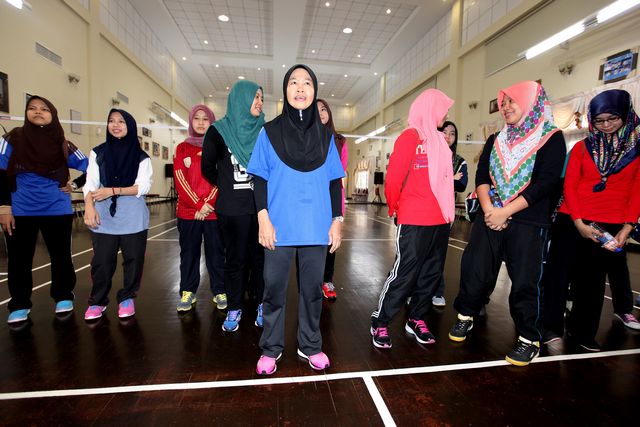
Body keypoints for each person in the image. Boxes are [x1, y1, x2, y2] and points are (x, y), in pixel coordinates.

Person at [448, 81, 566, 366]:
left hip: (528, 221)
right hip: (491, 216)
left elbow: (547, 183)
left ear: (530, 103)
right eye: (503, 103)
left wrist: (506, 212)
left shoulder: (551, 137)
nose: (505, 107)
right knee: (475, 269)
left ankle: (529, 337)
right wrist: (491, 210)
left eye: (512, 101)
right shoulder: (496, 139)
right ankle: (466, 315)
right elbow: (482, 177)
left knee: (526, 281)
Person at [249, 64, 344, 375]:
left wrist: (337, 220)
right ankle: (271, 347)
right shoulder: (269, 132)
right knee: (274, 290)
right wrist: (263, 218)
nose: (300, 88)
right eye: (293, 82)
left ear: (314, 90)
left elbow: (334, 181)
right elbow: (259, 178)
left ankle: (311, 345)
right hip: (278, 227)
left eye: (307, 83)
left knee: (312, 291)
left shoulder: (326, 137)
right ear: (285, 90)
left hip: (316, 227)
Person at [370, 88, 455, 349]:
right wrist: (395, 208)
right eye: (443, 109)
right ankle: (380, 321)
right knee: (405, 273)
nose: (446, 114)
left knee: (431, 274)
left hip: (441, 219)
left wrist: (448, 215)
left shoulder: (440, 141)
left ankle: (416, 318)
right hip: (415, 219)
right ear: (430, 108)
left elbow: (446, 182)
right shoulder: (410, 137)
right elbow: (394, 179)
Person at [563, 89, 640, 351]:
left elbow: (637, 190)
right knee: (586, 281)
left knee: (603, 277)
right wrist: (578, 222)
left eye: (612, 118)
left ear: (625, 115)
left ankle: (585, 329)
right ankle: (580, 331)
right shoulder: (582, 147)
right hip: (583, 220)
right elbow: (570, 186)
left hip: (615, 223)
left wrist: (628, 226)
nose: (606, 125)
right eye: (599, 120)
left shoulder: (636, 148)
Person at [0, 95, 88, 323]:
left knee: (61, 256)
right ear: (26, 112)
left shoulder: (64, 144)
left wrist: (75, 185)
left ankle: (63, 296)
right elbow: (0, 174)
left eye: (44, 109)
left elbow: (93, 167)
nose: (38, 111)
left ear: (53, 114)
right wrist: (4, 208)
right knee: (19, 260)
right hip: (20, 211)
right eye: (32, 108)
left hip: (57, 209)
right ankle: (19, 304)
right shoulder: (11, 139)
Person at [202, 80, 266, 330]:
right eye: (256, 97)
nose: (260, 102)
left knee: (260, 260)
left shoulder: (264, 130)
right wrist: (226, 185)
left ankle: (262, 304)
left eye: (261, 98)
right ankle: (234, 307)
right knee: (235, 260)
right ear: (242, 98)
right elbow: (207, 167)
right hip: (231, 210)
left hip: (260, 209)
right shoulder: (218, 131)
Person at [83, 109, 152, 320]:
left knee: (134, 260)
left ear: (130, 126)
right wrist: (89, 207)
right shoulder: (98, 153)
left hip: (133, 217)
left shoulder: (141, 157)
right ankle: (97, 301)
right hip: (104, 216)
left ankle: (127, 297)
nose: (115, 125)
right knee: (102, 262)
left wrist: (113, 190)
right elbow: (91, 183)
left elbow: (143, 187)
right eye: (111, 121)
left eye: (121, 121)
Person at [174, 105, 225, 312]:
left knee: (216, 254)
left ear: (212, 122)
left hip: (213, 213)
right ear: (191, 121)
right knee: (189, 254)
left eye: (206, 119)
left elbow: (222, 178)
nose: (201, 122)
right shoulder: (182, 148)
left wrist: (208, 204)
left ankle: (220, 290)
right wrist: (198, 204)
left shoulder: (219, 146)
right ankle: (188, 291)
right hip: (189, 212)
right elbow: (180, 178)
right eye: (197, 118)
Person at [432, 120, 467, 307]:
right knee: (420, 252)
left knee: (438, 254)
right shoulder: (430, 155)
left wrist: (444, 179)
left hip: (445, 213)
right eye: (444, 131)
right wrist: (449, 178)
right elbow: (427, 180)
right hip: (426, 210)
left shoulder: (459, 161)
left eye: (452, 133)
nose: (448, 136)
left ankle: (437, 291)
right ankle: (414, 290)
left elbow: (461, 184)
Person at [317, 98, 348, 301]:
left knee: (331, 242)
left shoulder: (340, 141)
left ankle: (327, 280)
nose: (321, 113)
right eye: (316, 110)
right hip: (313, 198)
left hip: (332, 197)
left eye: (324, 109)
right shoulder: (306, 137)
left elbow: (340, 171)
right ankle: (313, 281)